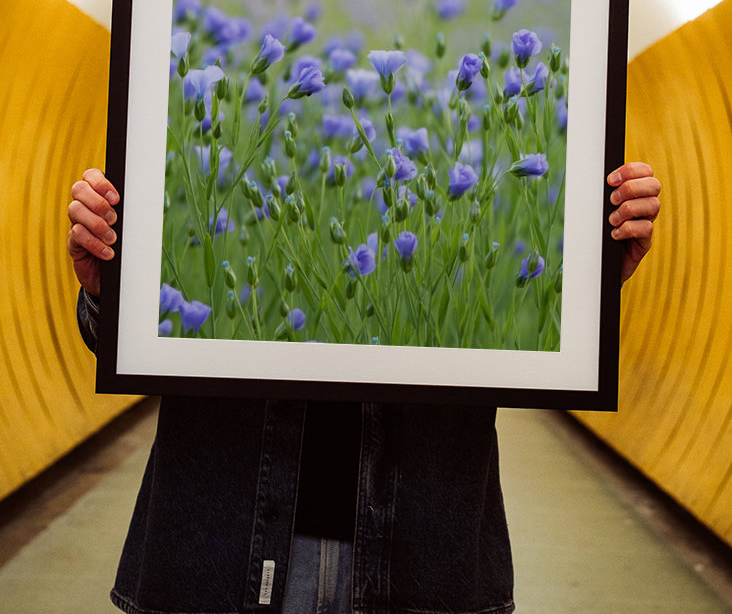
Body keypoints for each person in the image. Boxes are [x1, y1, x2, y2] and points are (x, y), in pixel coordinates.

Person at [68, 162, 661, 614]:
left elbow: (518, 325)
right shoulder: (243, 181)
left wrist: (586, 282)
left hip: (421, 555)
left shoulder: (451, 209)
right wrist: (109, 290)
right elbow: (126, 340)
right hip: (223, 547)